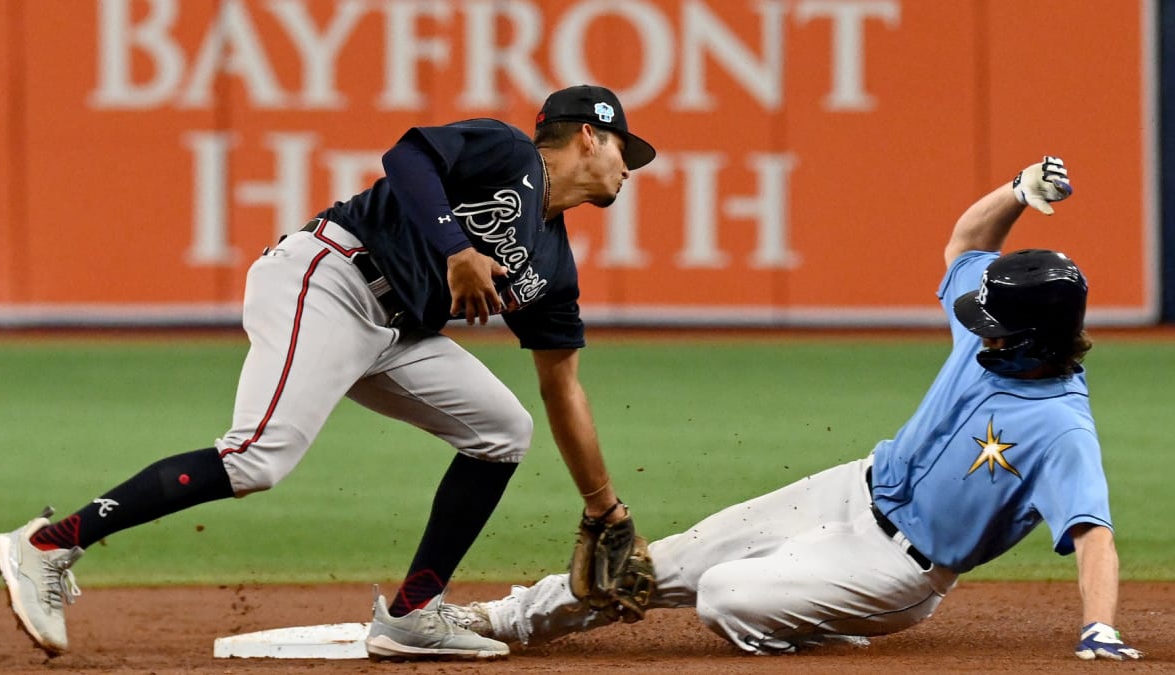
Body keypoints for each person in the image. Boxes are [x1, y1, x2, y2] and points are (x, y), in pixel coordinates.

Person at [0, 84, 657, 661]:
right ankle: (49, 543)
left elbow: (561, 384)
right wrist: (456, 248)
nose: (631, 167)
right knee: (256, 459)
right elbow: (409, 156)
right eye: (626, 150)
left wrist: (604, 507)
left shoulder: (552, 266)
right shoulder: (509, 152)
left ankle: (412, 615)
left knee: (502, 429)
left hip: (394, 332)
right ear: (592, 135)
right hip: (329, 276)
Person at [440, 156, 1144, 661]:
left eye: (992, 323)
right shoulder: (990, 332)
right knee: (663, 563)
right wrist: (1017, 190)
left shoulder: (1061, 428)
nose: (976, 325)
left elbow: (1095, 535)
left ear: (1032, 337)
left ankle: (819, 619)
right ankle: (507, 616)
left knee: (722, 595)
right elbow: (966, 245)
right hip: (847, 487)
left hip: (899, 570)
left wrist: (1099, 627)